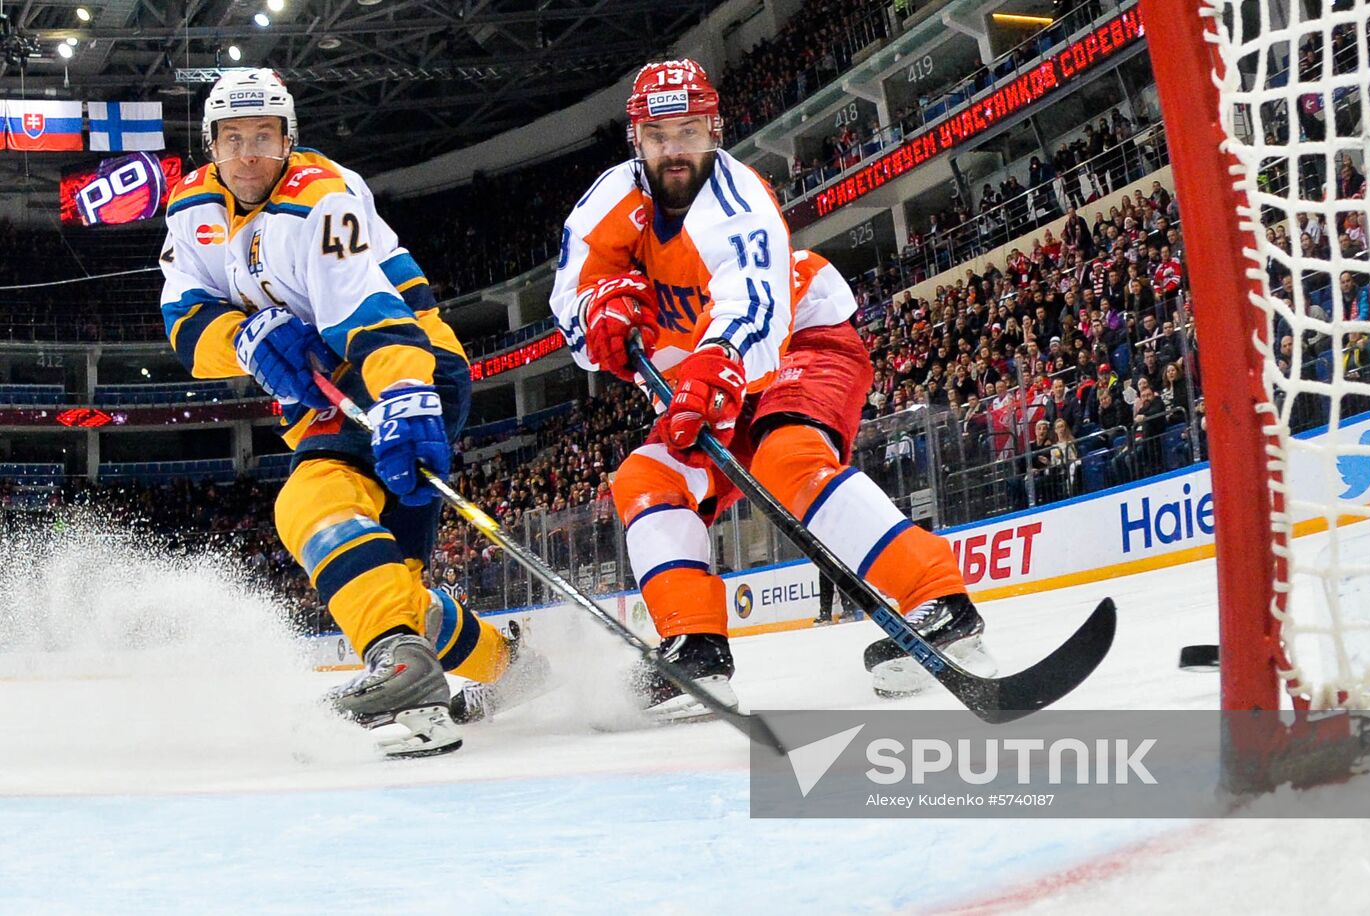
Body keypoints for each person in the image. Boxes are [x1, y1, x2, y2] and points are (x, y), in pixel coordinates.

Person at [549, 59, 993, 717]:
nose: (676, 149)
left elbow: (753, 306)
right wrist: (597, 322)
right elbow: (570, 303)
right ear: (634, 139)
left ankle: (942, 602)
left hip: (798, 344)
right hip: (702, 381)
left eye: (690, 131)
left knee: (786, 460)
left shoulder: (739, 201)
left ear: (715, 129)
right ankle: (695, 651)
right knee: (644, 481)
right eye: (659, 134)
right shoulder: (605, 205)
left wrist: (716, 364)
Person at [158, 69, 544, 756]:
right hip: (321, 396)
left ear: (289, 140)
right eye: (232, 138)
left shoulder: (321, 198)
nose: (248, 154)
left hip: (400, 364)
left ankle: (405, 670)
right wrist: (243, 335)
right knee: (391, 587)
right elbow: (184, 319)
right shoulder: (190, 207)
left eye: (264, 138)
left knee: (309, 505)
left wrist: (404, 397)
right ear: (210, 144)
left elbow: (368, 310)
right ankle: (510, 671)